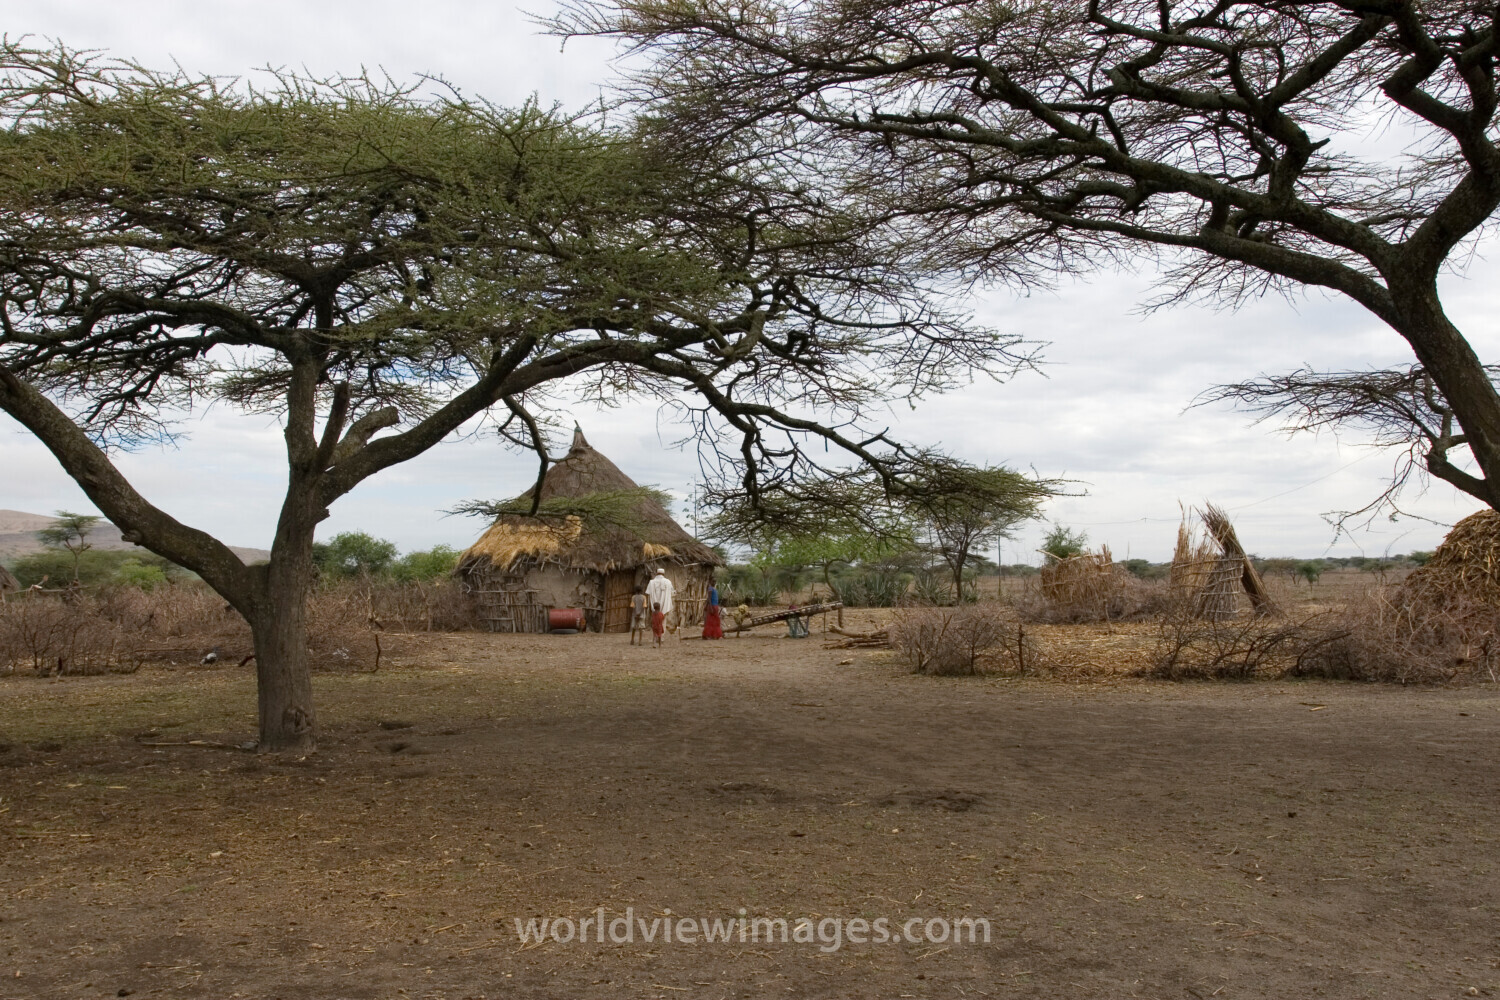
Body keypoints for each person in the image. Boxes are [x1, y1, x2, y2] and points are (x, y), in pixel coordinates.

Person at [646, 567, 676, 639]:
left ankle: (655, 637)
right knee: (663, 621)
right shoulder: (668, 582)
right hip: (665, 606)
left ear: (657, 573)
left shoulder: (651, 582)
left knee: (655, 622)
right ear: (663, 574)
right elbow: (673, 593)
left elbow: (648, 593)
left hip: (655, 606)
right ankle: (661, 637)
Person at [701, 575, 723, 640]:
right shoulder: (710, 588)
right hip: (712, 606)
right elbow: (709, 599)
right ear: (710, 582)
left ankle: (713, 635)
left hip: (715, 606)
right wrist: (710, 607)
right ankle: (708, 635)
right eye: (713, 581)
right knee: (710, 621)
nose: (714, 582)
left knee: (715, 621)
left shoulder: (714, 589)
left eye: (715, 581)